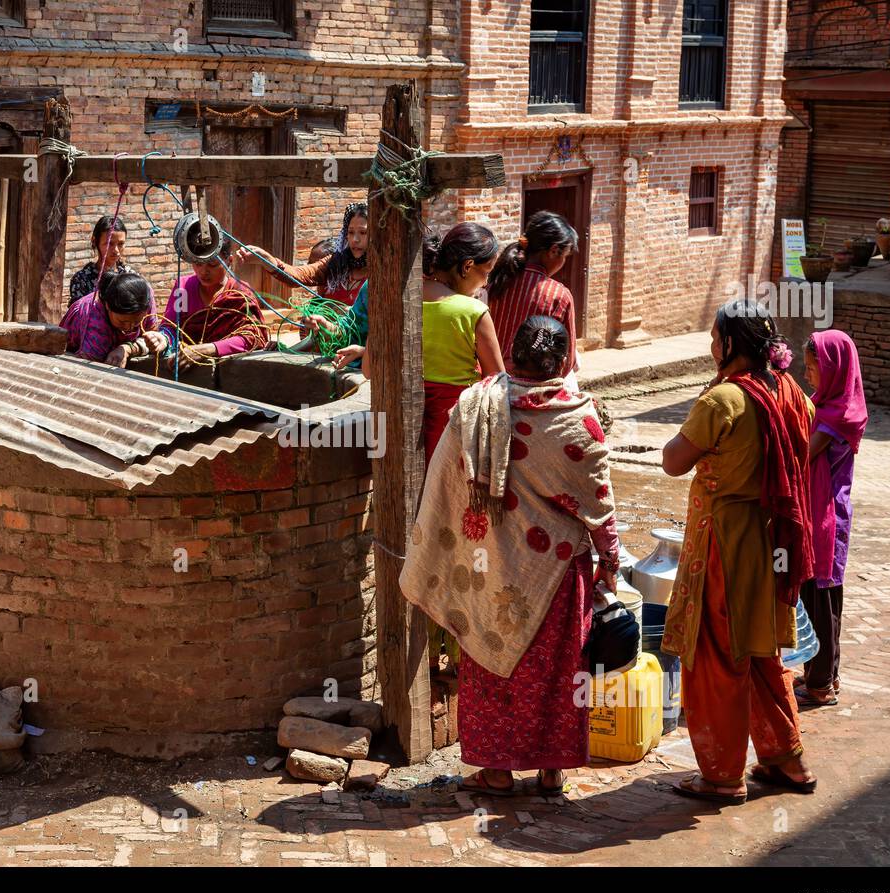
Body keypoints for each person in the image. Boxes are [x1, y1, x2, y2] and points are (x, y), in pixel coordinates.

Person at [401, 315, 620, 797]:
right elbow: (599, 505)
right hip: (557, 571)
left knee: (489, 660)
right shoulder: (580, 420)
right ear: (563, 360)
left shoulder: (477, 404)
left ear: (512, 352)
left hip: (489, 564)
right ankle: (551, 770)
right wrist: (611, 560)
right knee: (559, 673)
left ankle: (496, 770)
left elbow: (446, 484)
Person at [660, 301, 817, 804]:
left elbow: (671, 461)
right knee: (763, 650)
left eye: (714, 338)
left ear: (731, 345)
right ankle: (786, 760)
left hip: (727, 544)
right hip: (775, 542)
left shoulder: (722, 401)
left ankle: (723, 774)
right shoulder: (791, 391)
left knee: (717, 656)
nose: (710, 346)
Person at [797, 330, 867, 707]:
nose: (808, 375)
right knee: (818, 597)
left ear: (835, 369)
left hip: (825, 517)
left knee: (821, 601)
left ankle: (821, 682)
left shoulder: (836, 415)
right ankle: (823, 674)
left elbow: (802, 455)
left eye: (814, 368)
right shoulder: (825, 403)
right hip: (819, 513)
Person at [419, 223, 506, 466]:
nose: (485, 283)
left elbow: (368, 370)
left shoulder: (400, 298)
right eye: (486, 273)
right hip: (453, 426)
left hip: (399, 424)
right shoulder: (473, 311)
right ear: (467, 266)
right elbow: (497, 383)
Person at [487, 211, 580, 388]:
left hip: (491, 381)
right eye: (564, 256)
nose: (563, 262)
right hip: (531, 388)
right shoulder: (558, 296)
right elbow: (568, 364)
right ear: (553, 250)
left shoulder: (496, 282)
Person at [163, 235, 269, 364]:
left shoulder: (240, 293)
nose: (203, 271)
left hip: (228, 369)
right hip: (185, 367)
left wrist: (207, 349)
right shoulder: (184, 289)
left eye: (212, 264)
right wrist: (162, 339)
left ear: (229, 261)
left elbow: (252, 337)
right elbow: (172, 327)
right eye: (198, 263)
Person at [242, 202, 370, 308]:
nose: (355, 239)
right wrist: (265, 259)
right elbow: (299, 275)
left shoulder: (382, 272)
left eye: (363, 233)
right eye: (351, 232)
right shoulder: (336, 263)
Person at [59, 270, 167, 367]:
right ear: (107, 306)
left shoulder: (145, 298)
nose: (129, 328)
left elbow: (152, 336)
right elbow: (90, 370)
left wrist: (127, 348)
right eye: (123, 321)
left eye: (137, 322)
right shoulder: (94, 321)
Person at [69, 215, 135, 306]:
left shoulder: (131, 276)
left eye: (121, 244)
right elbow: (78, 315)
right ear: (95, 241)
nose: (116, 250)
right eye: (109, 244)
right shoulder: (82, 280)